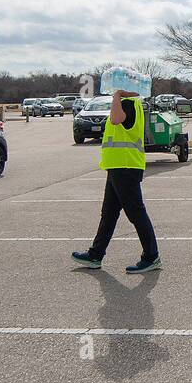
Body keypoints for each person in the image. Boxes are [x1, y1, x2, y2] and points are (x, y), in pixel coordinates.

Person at [71, 89, 161, 273]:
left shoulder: (128, 103)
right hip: (117, 166)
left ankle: (151, 256)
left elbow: (116, 119)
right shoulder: (127, 102)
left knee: (136, 213)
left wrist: (118, 95)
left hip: (126, 166)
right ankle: (96, 254)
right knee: (109, 213)